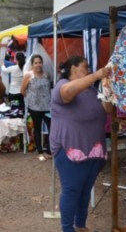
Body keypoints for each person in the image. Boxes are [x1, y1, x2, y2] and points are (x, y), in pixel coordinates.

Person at [50, 56, 110, 232]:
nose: (89, 69)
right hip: (70, 150)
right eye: (86, 67)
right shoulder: (61, 86)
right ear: (73, 69)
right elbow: (68, 93)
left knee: (85, 191)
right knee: (72, 191)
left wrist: (108, 89)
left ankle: (81, 225)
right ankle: (67, 228)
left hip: (94, 151)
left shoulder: (91, 91)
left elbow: (108, 110)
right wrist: (96, 76)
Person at [21, 54, 52, 160]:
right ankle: (40, 151)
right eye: (36, 63)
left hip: (47, 105)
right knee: (37, 128)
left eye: (40, 62)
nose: (38, 65)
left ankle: (49, 150)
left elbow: (50, 87)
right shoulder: (28, 75)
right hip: (34, 107)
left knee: (51, 128)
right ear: (32, 64)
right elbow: (22, 90)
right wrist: (30, 99)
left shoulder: (47, 74)